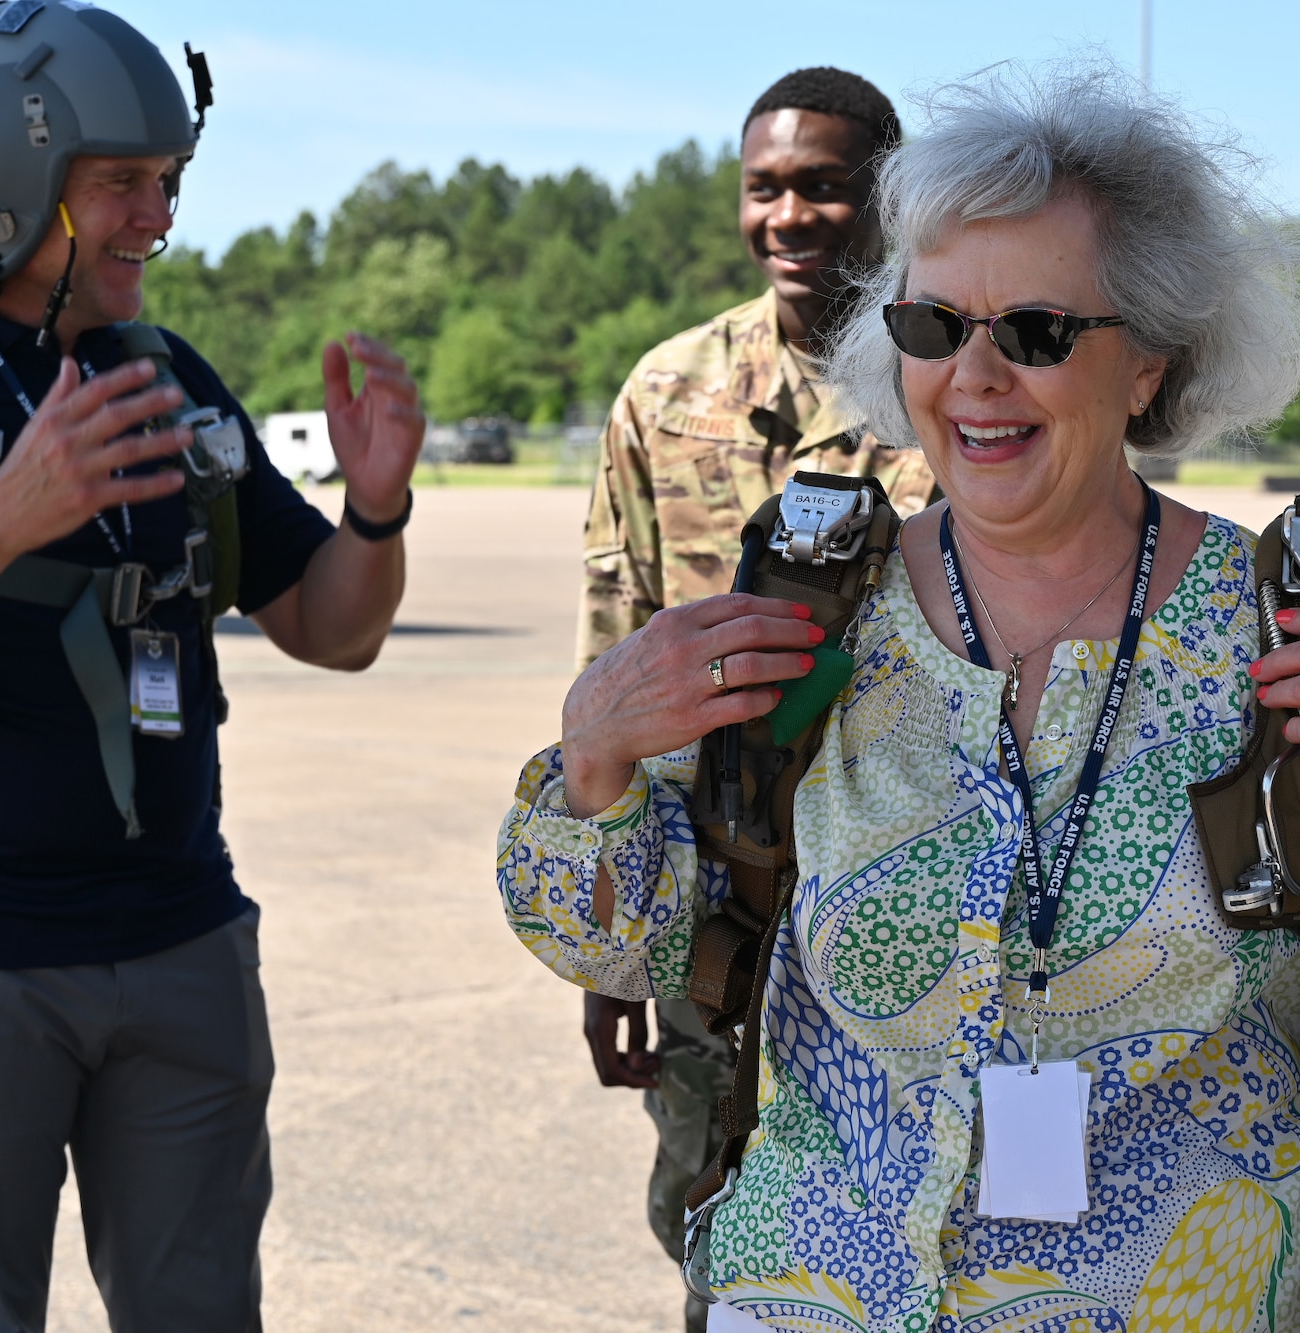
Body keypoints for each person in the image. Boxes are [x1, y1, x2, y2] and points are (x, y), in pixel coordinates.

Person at [502, 62, 1300, 1332]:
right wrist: (593, 764)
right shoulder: (807, 626)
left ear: (1147, 365)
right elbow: (624, 942)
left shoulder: (1283, 645)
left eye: (1036, 332)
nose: (974, 376)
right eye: (931, 326)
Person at [0, 8, 423, 1330]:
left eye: (170, 182)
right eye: (123, 185)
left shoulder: (166, 379)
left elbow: (334, 629)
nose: (158, 217)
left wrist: (375, 513)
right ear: (3, 177)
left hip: (180, 938)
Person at [573, 66, 935, 1331]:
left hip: (917, 903)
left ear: (887, 201)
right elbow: (610, 671)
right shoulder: (665, 397)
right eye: (764, 188)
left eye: (824, 189)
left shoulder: (955, 382)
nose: (787, 216)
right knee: (714, 1224)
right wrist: (605, 935)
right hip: (716, 904)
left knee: (929, 1229)